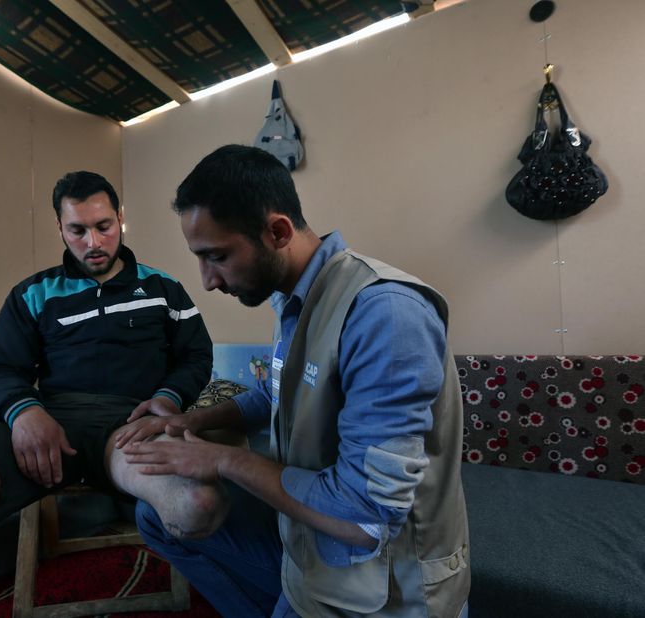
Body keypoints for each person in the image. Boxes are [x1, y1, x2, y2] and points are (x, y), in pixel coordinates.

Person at [117, 145, 470, 617]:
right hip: (309, 561)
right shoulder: (296, 300)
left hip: (382, 593)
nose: (207, 282)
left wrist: (220, 459)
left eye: (217, 256)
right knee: (154, 518)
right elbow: (276, 390)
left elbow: (364, 518)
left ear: (277, 231)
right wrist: (193, 421)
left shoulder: (385, 314)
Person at [0, 171, 223, 618]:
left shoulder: (165, 290)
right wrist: (24, 412)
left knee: (198, 503)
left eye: (103, 226)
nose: (93, 242)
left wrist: (167, 400)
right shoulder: (32, 294)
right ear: (60, 229)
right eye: (77, 230)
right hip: (48, 422)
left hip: (132, 426)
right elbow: (1, 371)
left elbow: (197, 356)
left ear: (121, 219)